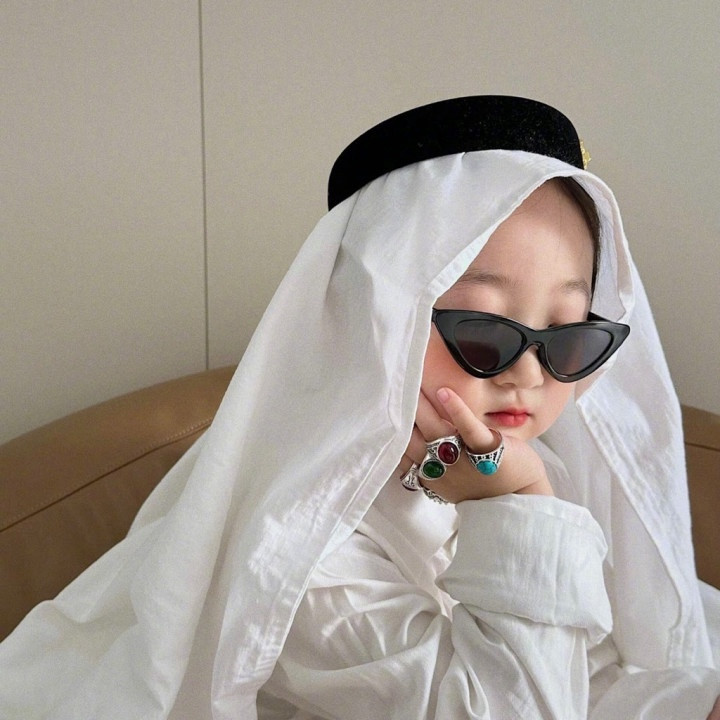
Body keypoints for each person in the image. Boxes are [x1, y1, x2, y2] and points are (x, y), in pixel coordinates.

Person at [0, 96, 718, 719]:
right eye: (482, 332)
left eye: (568, 336)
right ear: (372, 320)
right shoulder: (299, 546)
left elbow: (590, 677)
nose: (529, 374)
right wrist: (518, 505)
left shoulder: (525, 460)